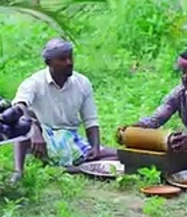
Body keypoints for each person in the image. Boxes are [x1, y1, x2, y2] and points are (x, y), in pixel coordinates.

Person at [9, 38, 116, 183]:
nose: (69, 63)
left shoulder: (82, 83)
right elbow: (18, 106)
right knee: (22, 124)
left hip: (70, 139)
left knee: (120, 156)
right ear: (49, 63)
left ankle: (75, 169)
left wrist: (95, 147)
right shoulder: (34, 82)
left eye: (70, 57)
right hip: (42, 140)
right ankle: (18, 172)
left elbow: (90, 120)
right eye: (62, 59)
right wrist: (34, 131)